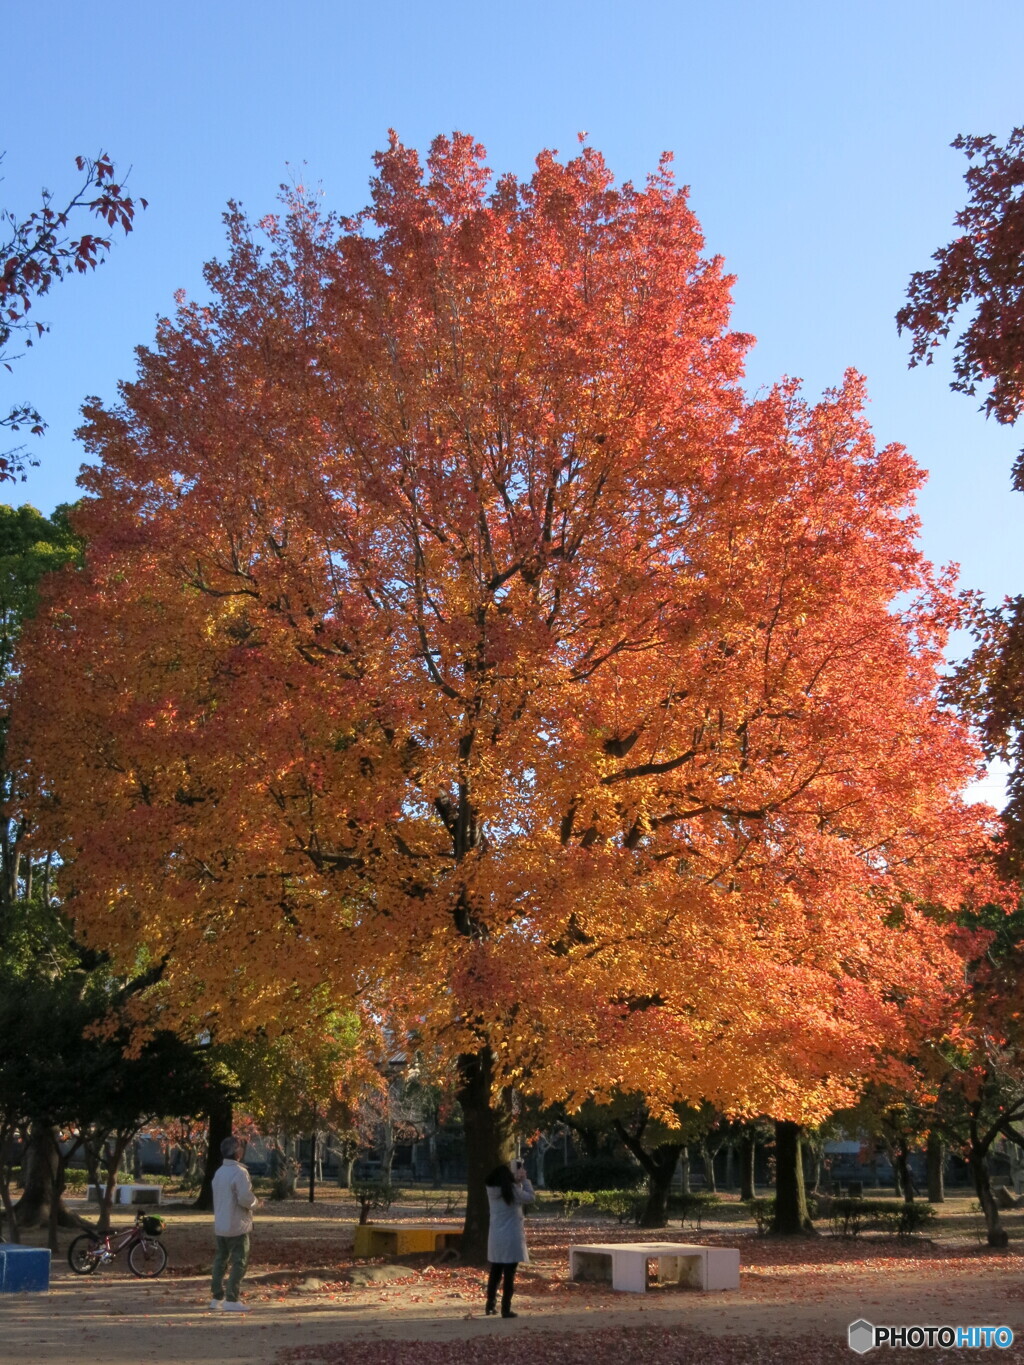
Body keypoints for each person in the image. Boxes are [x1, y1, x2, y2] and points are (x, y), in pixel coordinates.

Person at [209, 1135, 259, 1312]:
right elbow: (244, 1198)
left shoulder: (219, 1172)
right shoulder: (239, 1172)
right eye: (241, 1147)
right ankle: (232, 1297)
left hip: (221, 1223)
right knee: (240, 1260)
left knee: (220, 1260)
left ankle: (216, 1297)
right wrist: (256, 1203)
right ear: (237, 1151)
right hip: (237, 1224)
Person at [484, 1159, 534, 1319]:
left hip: (496, 1238)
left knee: (495, 1272)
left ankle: (490, 1305)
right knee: (509, 1274)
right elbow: (530, 1197)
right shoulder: (512, 1190)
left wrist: (516, 1181)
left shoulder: (491, 1190)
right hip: (511, 1238)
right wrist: (524, 1180)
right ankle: (506, 1308)